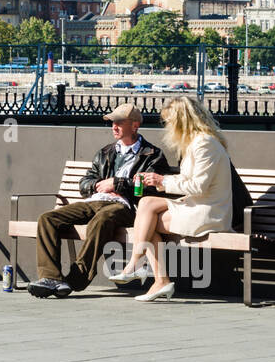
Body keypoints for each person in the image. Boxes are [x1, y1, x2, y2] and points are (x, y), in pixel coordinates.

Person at [27, 103, 173, 298]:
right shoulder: (106, 152)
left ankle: (76, 277)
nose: (114, 126)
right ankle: (51, 278)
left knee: (102, 219)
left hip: (125, 207)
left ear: (135, 125)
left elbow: (151, 187)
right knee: (47, 218)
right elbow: (85, 182)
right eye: (112, 122)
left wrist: (118, 184)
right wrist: (98, 185)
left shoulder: (152, 155)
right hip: (95, 201)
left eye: (119, 122)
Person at [112, 95, 233, 302]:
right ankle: (150, 274)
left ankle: (143, 269)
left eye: (170, 122)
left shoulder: (205, 144)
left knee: (147, 222)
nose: (168, 128)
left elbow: (198, 185)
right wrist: (157, 181)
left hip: (209, 211)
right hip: (197, 205)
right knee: (146, 204)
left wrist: (162, 180)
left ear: (182, 120)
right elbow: (188, 180)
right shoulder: (196, 142)